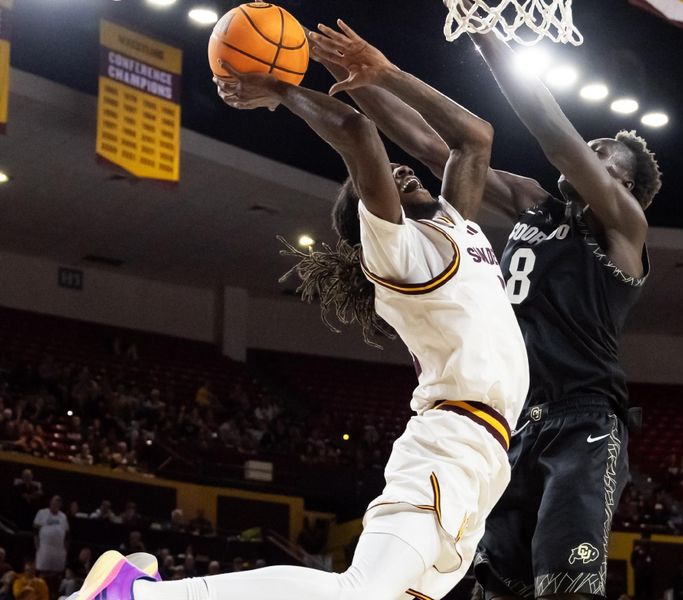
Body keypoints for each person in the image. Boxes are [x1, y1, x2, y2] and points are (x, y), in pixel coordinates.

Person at [73, 16, 527, 600]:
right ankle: (137, 593)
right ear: (371, 220)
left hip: (487, 457)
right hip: (451, 439)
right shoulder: (396, 254)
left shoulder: (454, 227)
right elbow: (358, 135)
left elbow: (476, 139)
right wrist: (282, 89)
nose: (402, 167)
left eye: (400, 166)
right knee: (358, 591)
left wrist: (379, 74)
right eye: (389, 177)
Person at [308, 13, 661, 600]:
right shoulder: (535, 204)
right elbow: (433, 146)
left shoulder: (624, 230)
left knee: (566, 586)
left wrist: (489, 39)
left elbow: (554, 134)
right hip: (511, 424)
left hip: (584, 424)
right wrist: (361, 81)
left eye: (601, 155)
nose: (585, 153)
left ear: (623, 187)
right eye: (591, 145)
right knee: (497, 588)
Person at [33, 496, 69, 593]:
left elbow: (66, 534)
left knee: (56, 574)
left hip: (58, 550)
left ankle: (53, 594)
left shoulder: (63, 516)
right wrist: (36, 543)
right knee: (43, 572)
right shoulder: (42, 513)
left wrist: (65, 549)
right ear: (50, 503)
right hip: (44, 548)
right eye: (54, 502)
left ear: (60, 505)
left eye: (58, 503)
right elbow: (35, 530)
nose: (55, 504)